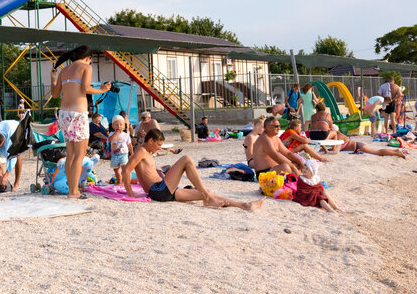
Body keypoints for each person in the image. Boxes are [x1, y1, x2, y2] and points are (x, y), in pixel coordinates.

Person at [123, 129, 262, 210]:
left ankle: (244, 205)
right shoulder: (140, 151)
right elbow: (126, 170)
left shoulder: (146, 153)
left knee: (206, 192)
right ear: (151, 141)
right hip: (158, 190)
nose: (159, 148)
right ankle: (208, 198)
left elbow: (146, 173)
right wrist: (131, 194)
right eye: (158, 145)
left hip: (165, 191)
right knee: (187, 159)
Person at [50, 46, 111, 200]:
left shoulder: (64, 71)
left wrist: (53, 79)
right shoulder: (86, 67)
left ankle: (71, 190)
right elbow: (86, 88)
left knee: (70, 155)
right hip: (78, 114)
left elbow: (55, 93)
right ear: (88, 57)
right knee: (79, 155)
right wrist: (103, 90)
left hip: (64, 114)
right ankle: (73, 191)